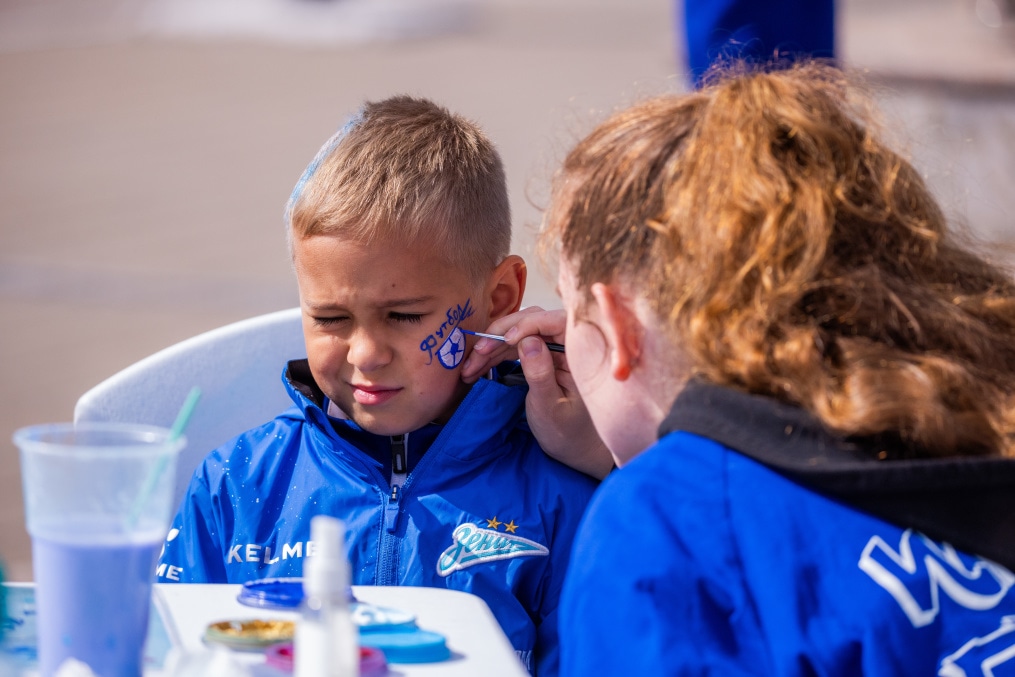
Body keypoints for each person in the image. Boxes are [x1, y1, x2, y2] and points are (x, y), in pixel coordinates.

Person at [464, 61, 1015, 674]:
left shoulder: (660, 529)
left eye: (574, 308)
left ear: (619, 328)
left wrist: (663, 466)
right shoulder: (982, 415)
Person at [156, 95, 599, 676]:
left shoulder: (564, 495)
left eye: (404, 316)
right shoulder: (236, 483)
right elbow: (167, 654)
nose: (365, 354)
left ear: (499, 299)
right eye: (331, 319)